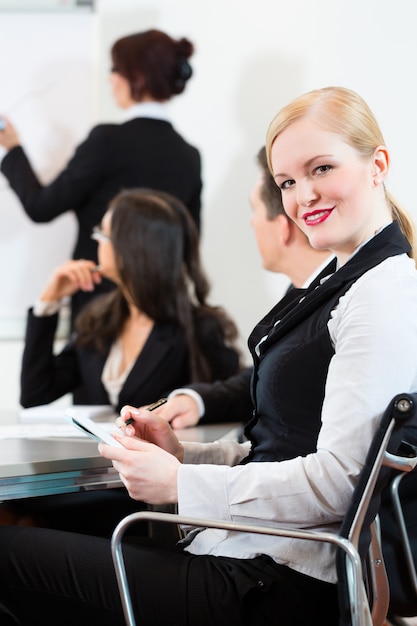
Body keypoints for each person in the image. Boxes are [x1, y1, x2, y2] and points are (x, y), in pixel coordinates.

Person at [0, 86, 416, 626]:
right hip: (249, 556)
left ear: (377, 164)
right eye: (288, 182)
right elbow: (282, 451)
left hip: (272, 581)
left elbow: (338, 485)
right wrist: (184, 456)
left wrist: (178, 484)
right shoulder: (343, 284)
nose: (302, 196)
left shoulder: (379, 297)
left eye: (321, 169)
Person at [0, 29, 202, 324]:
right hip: (160, 316)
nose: (110, 79)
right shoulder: (189, 155)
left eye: (115, 70)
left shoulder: (107, 140)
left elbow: (41, 207)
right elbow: (190, 241)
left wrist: (13, 148)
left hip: (99, 309)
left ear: (138, 77)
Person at [20, 187, 241, 411]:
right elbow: (35, 394)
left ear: (133, 249)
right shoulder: (98, 320)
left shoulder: (200, 329)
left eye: (103, 234)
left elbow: (233, 403)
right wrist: (48, 302)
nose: (96, 241)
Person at [162, 145, 333, 429]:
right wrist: (196, 401)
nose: (251, 222)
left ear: (282, 227)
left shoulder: (334, 301)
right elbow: (264, 375)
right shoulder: (301, 291)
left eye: (254, 210)